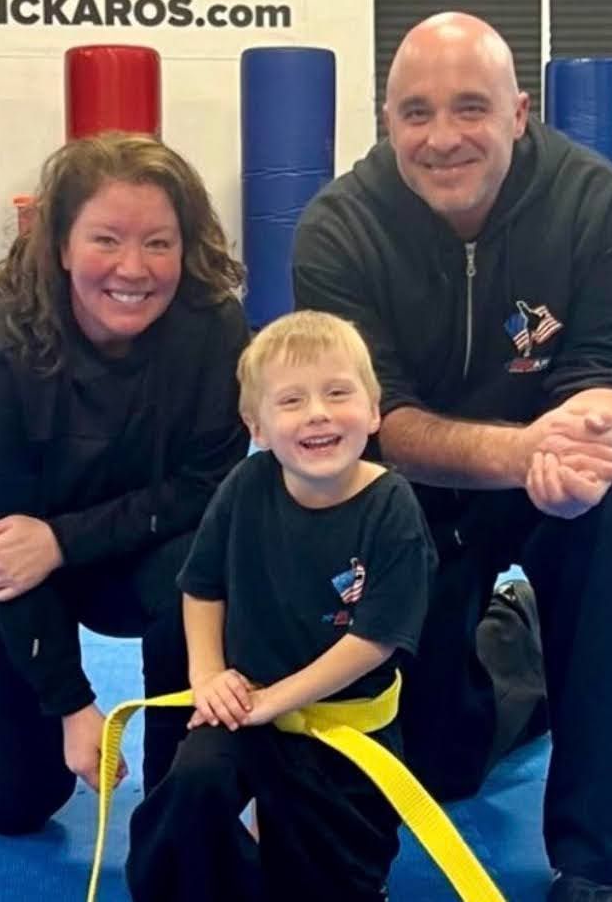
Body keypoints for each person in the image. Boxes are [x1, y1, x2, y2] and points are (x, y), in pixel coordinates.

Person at [292, 13, 612, 902]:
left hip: (553, 487)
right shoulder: (338, 227)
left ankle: (601, 858)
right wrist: (522, 448)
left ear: (518, 113)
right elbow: (374, 422)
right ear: (386, 119)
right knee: (442, 765)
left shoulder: (591, 199)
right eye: (415, 112)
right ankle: (517, 638)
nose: (442, 137)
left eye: (471, 107)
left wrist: (588, 437)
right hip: (410, 495)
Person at [0, 132, 250, 836]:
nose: (133, 267)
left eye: (158, 242)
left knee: (208, 563)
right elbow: (3, 553)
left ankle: (176, 806)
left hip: (126, 547)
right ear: (60, 245)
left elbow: (208, 485)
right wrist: (72, 703)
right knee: (18, 798)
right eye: (106, 239)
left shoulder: (214, 329)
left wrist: (61, 539)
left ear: (186, 246)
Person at [125, 310, 437, 902]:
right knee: (191, 788)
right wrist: (207, 675)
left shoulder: (392, 509)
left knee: (329, 884)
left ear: (373, 411)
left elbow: (374, 640)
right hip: (247, 711)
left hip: (346, 728)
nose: (317, 413)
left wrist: (276, 701)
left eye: (337, 393)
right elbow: (202, 586)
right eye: (291, 400)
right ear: (257, 425)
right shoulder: (245, 487)